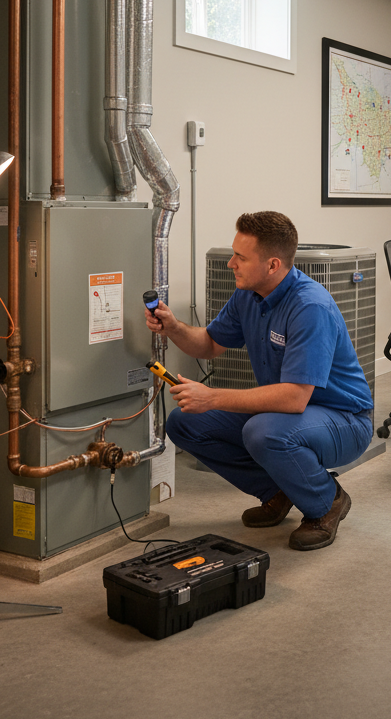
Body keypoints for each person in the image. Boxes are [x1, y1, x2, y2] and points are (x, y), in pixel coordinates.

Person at [144, 211, 373, 551]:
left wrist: (213, 397)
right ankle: (279, 490)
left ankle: (327, 502)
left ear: (272, 265)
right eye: (233, 253)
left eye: (241, 257)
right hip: (289, 413)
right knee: (185, 423)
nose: (230, 264)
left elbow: (295, 398)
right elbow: (209, 345)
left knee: (264, 432)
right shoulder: (248, 296)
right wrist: (174, 327)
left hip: (343, 419)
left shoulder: (310, 307)